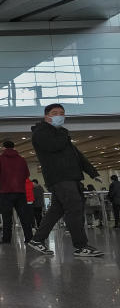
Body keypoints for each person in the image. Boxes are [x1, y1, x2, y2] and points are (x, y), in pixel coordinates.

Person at [26, 104, 103, 257]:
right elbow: (54, 146)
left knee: (56, 210)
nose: (59, 116)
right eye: (55, 113)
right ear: (46, 116)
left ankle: (37, 240)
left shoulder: (61, 134)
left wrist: (92, 172)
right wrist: (64, 133)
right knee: (74, 210)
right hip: (60, 178)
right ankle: (81, 246)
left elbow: (77, 155)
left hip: (70, 177)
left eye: (62, 113)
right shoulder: (41, 133)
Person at [0, 140, 34, 244]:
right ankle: (29, 238)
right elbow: (27, 174)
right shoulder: (21, 159)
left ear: (4, 147)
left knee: (7, 217)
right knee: (24, 216)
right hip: (20, 191)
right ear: (14, 147)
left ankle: (7, 239)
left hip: (5, 191)